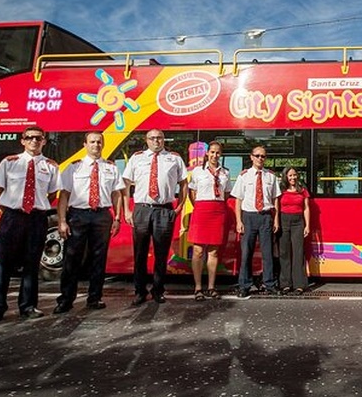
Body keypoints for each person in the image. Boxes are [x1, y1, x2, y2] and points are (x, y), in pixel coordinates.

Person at [0, 126, 61, 324]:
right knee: (3, 264)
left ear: (44, 141)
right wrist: (12, 208)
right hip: (12, 217)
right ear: (23, 141)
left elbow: (52, 193)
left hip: (36, 218)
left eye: (38, 138)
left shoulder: (51, 166)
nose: (34, 141)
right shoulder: (9, 163)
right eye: (30, 138)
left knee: (31, 264)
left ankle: (27, 306)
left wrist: (36, 206)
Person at [54, 131, 125, 314]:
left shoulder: (111, 168)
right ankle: (66, 300)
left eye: (99, 142)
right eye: (92, 142)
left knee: (98, 259)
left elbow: (117, 194)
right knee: (72, 259)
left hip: (102, 216)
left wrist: (117, 218)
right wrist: (62, 221)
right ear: (85, 145)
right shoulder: (73, 168)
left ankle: (95, 298)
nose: (96, 145)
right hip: (78, 216)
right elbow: (64, 196)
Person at [122, 129, 187, 305]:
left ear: (164, 140)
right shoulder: (137, 158)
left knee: (161, 253)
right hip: (142, 209)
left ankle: (158, 290)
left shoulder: (174, 158)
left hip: (164, 210)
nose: (156, 141)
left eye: (159, 138)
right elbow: (126, 184)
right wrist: (128, 211)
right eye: (152, 138)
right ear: (147, 140)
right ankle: (139, 291)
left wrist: (179, 206)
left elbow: (183, 184)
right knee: (140, 252)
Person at [233, 145, 281, 298]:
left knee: (267, 254)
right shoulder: (244, 176)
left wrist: (276, 220)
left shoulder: (271, 176)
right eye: (258, 155)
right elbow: (238, 200)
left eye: (263, 156)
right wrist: (239, 221)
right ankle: (244, 285)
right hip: (249, 216)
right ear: (251, 157)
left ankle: (269, 283)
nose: (260, 159)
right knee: (246, 253)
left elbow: (275, 200)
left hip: (266, 216)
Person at [187, 141, 232, 301]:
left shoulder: (225, 173)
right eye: (212, 152)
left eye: (218, 153)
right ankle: (198, 287)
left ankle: (211, 286)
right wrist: (200, 206)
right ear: (207, 153)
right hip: (201, 210)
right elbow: (192, 192)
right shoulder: (198, 171)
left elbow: (226, 194)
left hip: (218, 210)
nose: (214, 155)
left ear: (221, 154)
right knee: (198, 251)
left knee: (213, 251)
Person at [277, 166, 310, 295]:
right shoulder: (281, 190)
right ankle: (285, 284)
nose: (292, 178)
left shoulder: (302, 190)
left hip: (298, 222)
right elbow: (277, 206)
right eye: (290, 175)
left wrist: (307, 225)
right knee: (284, 253)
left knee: (298, 252)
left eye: (294, 175)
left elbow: (306, 208)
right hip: (283, 220)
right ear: (285, 177)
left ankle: (299, 284)